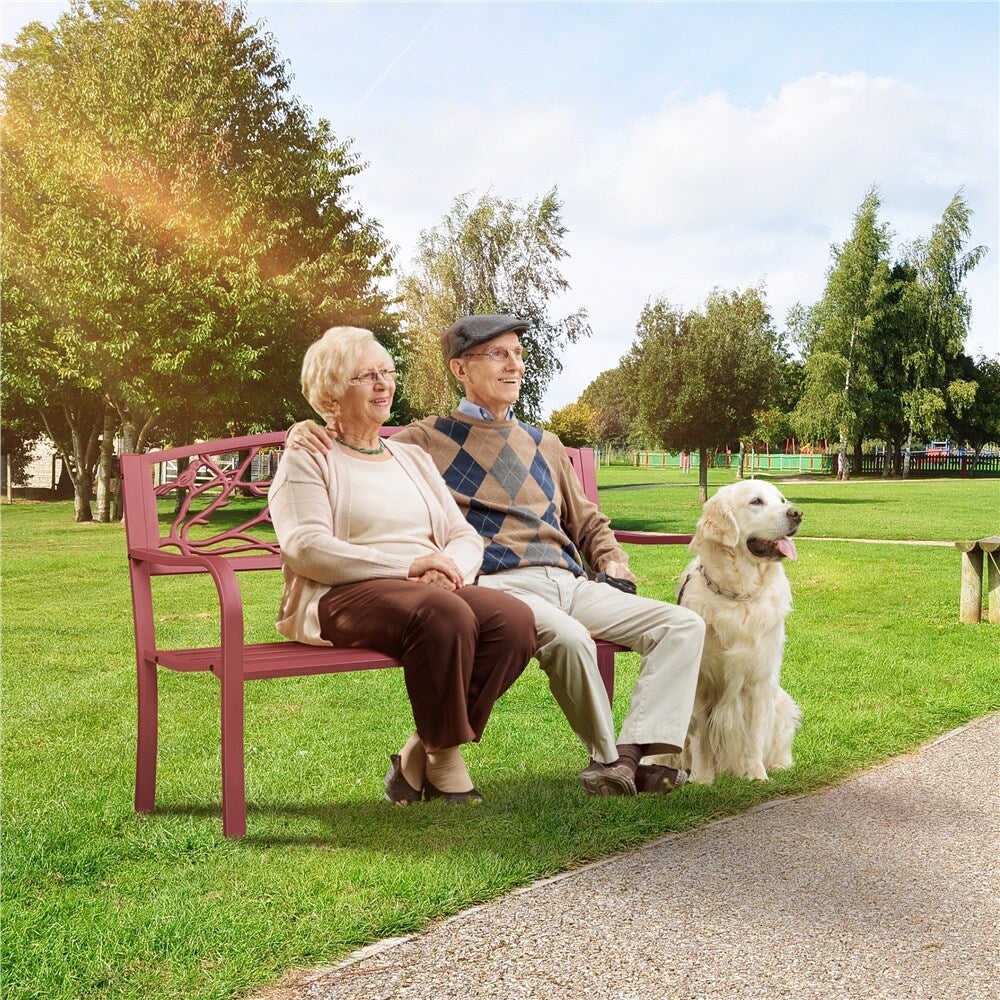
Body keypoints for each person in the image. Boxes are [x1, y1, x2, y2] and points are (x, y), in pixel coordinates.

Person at [291, 315, 705, 798]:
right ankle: (608, 760)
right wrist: (303, 428)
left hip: (569, 580)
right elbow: (356, 440)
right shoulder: (426, 440)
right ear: (460, 369)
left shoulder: (544, 443)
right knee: (571, 640)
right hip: (498, 582)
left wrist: (611, 559)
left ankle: (632, 755)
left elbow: (586, 519)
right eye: (498, 354)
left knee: (682, 626)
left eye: (518, 354)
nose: (515, 364)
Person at [270, 326, 536, 805]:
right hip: (343, 593)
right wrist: (410, 566)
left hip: (427, 587)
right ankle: (445, 762)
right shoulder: (307, 456)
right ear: (331, 395)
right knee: (445, 614)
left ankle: (421, 747)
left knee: (513, 621)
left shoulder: (410, 456)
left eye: (387, 372)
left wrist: (447, 568)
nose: (383, 383)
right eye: (366, 375)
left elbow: (462, 535)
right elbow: (305, 546)